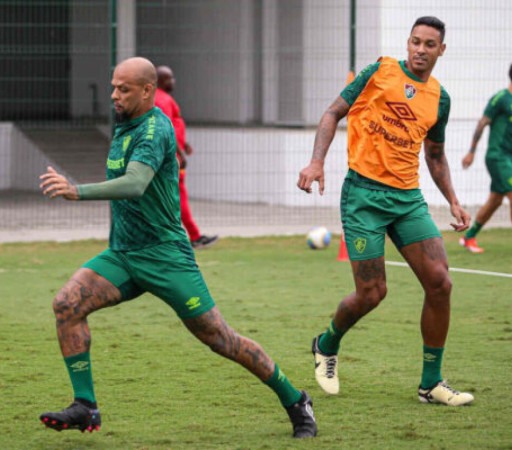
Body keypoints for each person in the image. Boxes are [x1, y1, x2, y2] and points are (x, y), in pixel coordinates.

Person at [38, 56, 317, 438]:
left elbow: (135, 183)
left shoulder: (154, 129)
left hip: (166, 256)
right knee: (67, 304)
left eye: (124, 89)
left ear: (148, 90)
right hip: (123, 254)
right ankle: (85, 406)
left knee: (220, 338)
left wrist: (76, 190)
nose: (114, 95)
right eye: (113, 86)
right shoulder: (125, 121)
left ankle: (295, 399)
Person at [297, 16, 475, 406]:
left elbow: (435, 154)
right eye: (415, 41)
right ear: (407, 42)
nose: (420, 50)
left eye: (429, 44)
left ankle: (431, 384)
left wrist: (454, 200)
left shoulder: (439, 99)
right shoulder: (380, 70)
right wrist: (316, 163)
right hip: (363, 196)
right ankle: (326, 345)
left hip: (407, 199)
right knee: (373, 293)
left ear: (440, 50)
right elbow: (332, 113)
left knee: (440, 283)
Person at [154, 64, 219, 249]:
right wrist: (179, 152)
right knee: (177, 196)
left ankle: (190, 236)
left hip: (171, 155)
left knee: (172, 197)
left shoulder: (162, 98)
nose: (173, 81)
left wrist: (184, 144)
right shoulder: (163, 100)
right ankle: (193, 237)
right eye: (170, 78)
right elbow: (165, 128)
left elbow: (172, 125)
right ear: (161, 80)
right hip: (171, 159)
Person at [459, 62, 512, 253]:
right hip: (497, 157)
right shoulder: (501, 98)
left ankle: (469, 237)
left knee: (496, 201)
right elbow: (482, 123)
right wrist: (471, 152)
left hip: (510, 159)